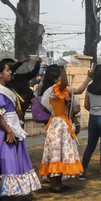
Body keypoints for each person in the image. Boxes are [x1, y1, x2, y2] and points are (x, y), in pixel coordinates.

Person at [0, 60, 41, 201]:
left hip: (9, 125)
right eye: (7, 70)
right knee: (3, 158)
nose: (10, 72)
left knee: (10, 157)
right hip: (2, 128)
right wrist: (8, 130)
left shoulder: (3, 88)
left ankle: (9, 190)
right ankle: (1, 193)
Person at [38, 64, 86, 192]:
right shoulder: (55, 89)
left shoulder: (51, 91)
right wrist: (62, 68)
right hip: (59, 124)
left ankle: (58, 182)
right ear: (56, 79)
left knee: (60, 153)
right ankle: (54, 184)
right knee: (57, 152)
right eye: (61, 76)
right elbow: (65, 83)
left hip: (58, 123)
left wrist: (89, 78)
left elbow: (80, 90)